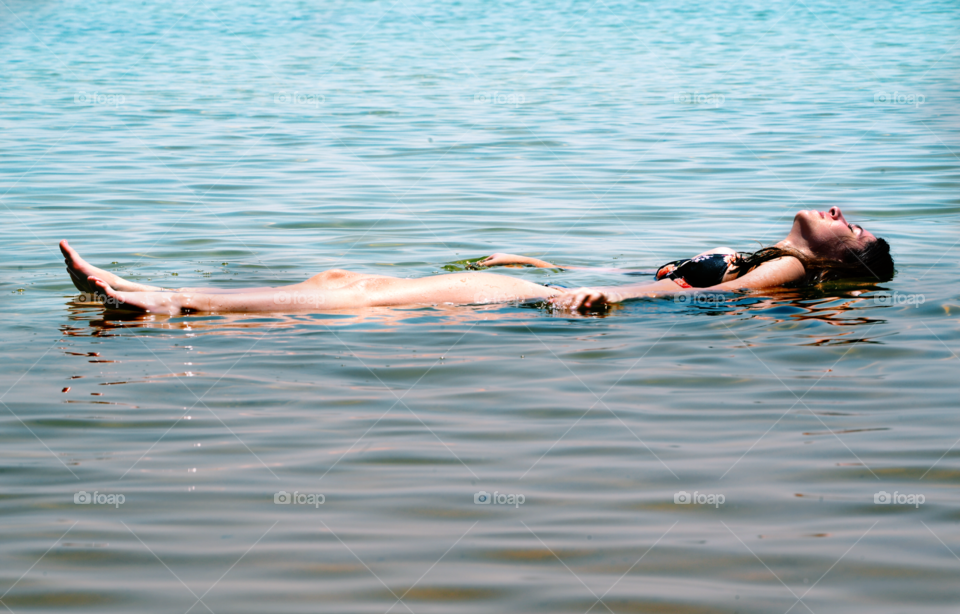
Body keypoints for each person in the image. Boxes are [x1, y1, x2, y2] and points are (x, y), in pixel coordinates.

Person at [61, 207, 893, 315]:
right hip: (548, 288)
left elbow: (705, 303)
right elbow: (677, 280)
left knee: (352, 300)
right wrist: (544, 262)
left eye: (851, 227)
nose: (839, 214)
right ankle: (151, 292)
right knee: (339, 283)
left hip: (557, 305)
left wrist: (592, 301)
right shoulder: (764, 251)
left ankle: (166, 307)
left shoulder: (787, 272)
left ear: (840, 262)